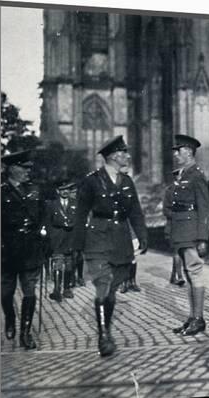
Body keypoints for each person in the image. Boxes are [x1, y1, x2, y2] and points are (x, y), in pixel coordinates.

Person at [73, 136, 148, 357]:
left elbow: (135, 211)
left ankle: (105, 328)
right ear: (114, 155)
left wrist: (143, 236)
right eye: (124, 152)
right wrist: (77, 246)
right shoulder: (92, 181)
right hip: (98, 238)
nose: (127, 156)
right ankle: (104, 335)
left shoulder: (126, 182)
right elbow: (79, 214)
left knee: (112, 290)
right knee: (103, 285)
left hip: (120, 240)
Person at [1, 150, 46, 350]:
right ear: (12, 169)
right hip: (7, 249)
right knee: (6, 292)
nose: (28, 171)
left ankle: (25, 333)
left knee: (29, 290)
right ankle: (10, 317)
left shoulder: (35, 190)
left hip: (30, 247)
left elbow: (44, 216)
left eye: (29, 168)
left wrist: (45, 240)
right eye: (24, 167)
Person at [168, 135, 209, 336]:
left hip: (192, 231)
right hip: (181, 230)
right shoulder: (183, 174)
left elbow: (205, 208)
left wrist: (203, 237)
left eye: (178, 151)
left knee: (194, 272)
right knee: (188, 273)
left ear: (188, 151)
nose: (176, 155)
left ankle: (199, 318)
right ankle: (193, 316)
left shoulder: (196, 175)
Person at [45, 179, 78, 302]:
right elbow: (47, 222)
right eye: (62, 190)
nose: (65, 192)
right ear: (57, 191)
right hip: (57, 238)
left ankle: (66, 288)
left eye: (67, 190)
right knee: (57, 263)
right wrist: (49, 237)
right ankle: (57, 289)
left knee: (69, 264)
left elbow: (79, 221)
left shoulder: (76, 203)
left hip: (71, 238)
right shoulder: (51, 204)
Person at [163, 169, 186, 287]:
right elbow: (165, 210)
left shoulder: (186, 189)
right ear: (176, 177)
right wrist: (177, 215)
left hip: (184, 225)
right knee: (177, 250)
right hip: (173, 225)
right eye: (181, 176)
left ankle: (173, 275)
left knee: (180, 251)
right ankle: (180, 276)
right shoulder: (169, 190)